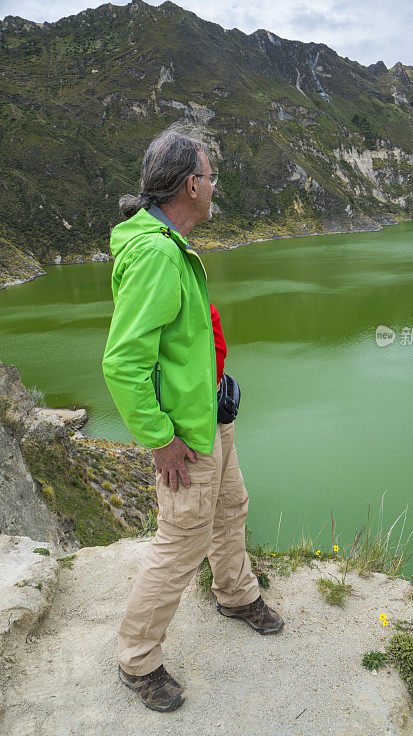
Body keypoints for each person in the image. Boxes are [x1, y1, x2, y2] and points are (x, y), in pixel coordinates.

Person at [101, 126, 283, 714]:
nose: (215, 185)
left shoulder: (169, 242)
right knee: (179, 542)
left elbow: (181, 342)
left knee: (231, 508)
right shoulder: (156, 252)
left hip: (210, 420)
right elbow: (123, 364)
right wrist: (160, 441)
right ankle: (138, 659)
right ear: (190, 185)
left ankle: (234, 593)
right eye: (210, 175)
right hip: (184, 437)